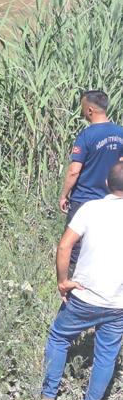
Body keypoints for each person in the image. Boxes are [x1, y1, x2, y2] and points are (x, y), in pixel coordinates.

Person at [42, 162, 123, 400]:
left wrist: (63, 281)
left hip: (84, 294)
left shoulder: (91, 208)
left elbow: (65, 246)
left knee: (59, 337)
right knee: (106, 355)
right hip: (118, 303)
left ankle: (48, 399)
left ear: (107, 184)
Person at [58, 90, 123, 272]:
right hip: (112, 198)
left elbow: (74, 170)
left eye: (83, 107)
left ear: (90, 110)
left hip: (84, 198)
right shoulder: (120, 133)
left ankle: (73, 282)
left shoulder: (86, 136)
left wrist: (64, 195)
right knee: (108, 242)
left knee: (76, 246)